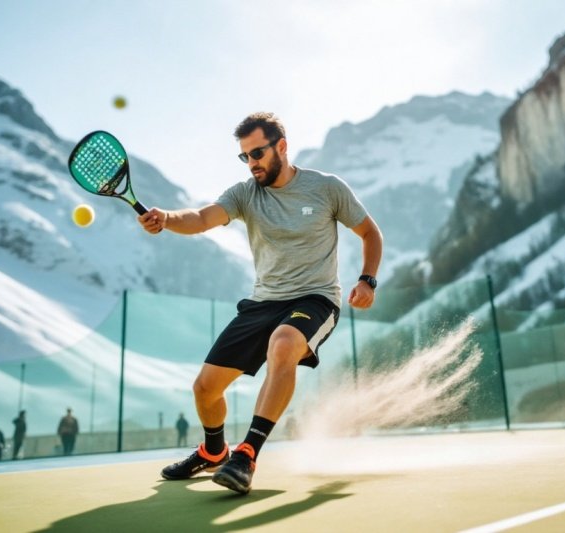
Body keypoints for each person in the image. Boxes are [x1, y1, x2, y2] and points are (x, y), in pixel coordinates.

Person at [139, 112, 383, 495]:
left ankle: (247, 454)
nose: (252, 163)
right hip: (263, 302)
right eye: (245, 157)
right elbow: (201, 218)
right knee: (205, 389)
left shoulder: (327, 188)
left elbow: (370, 233)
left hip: (315, 299)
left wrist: (367, 280)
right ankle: (214, 451)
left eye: (257, 153)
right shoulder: (244, 194)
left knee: (284, 344)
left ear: (281, 147)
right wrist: (167, 218)